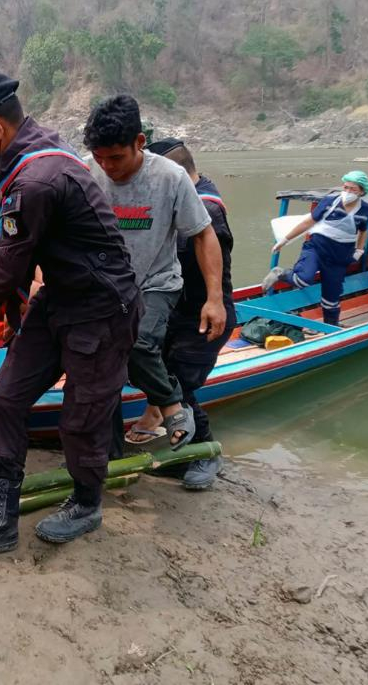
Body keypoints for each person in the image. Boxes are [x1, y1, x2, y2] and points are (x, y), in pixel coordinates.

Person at [0, 72, 141, 561]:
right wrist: (3, 319)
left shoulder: (35, 177)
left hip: (100, 308)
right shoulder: (34, 156)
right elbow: (19, 257)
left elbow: (8, 262)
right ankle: (0, 517)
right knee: (7, 398)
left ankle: (88, 503)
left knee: (81, 417)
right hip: (59, 298)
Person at [83, 96, 226, 454]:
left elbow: (204, 235)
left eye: (116, 157)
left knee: (139, 340)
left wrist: (214, 299)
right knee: (104, 373)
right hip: (105, 287)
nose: (108, 166)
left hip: (156, 283)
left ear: (140, 143)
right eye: (100, 157)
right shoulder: (88, 170)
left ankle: (172, 407)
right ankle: (109, 456)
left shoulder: (170, 177)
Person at [145, 138, 235, 489]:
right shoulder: (188, 196)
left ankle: (205, 453)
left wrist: (213, 304)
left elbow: (209, 267)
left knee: (179, 386)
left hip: (201, 316)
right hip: (176, 312)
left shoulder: (206, 209)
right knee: (161, 377)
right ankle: (182, 451)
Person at [262, 171, 368, 325]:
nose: (347, 192)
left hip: (340, 256)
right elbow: (308, 223)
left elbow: (363, 231)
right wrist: (284, 240)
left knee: (332, 297)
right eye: (345, 187)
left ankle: (331, 327)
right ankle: (280, 273)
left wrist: (359, 250)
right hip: (317, 248)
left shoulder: (366, 210)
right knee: (302, 279)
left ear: (362, 191)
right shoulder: (330, 201)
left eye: (353, 189)